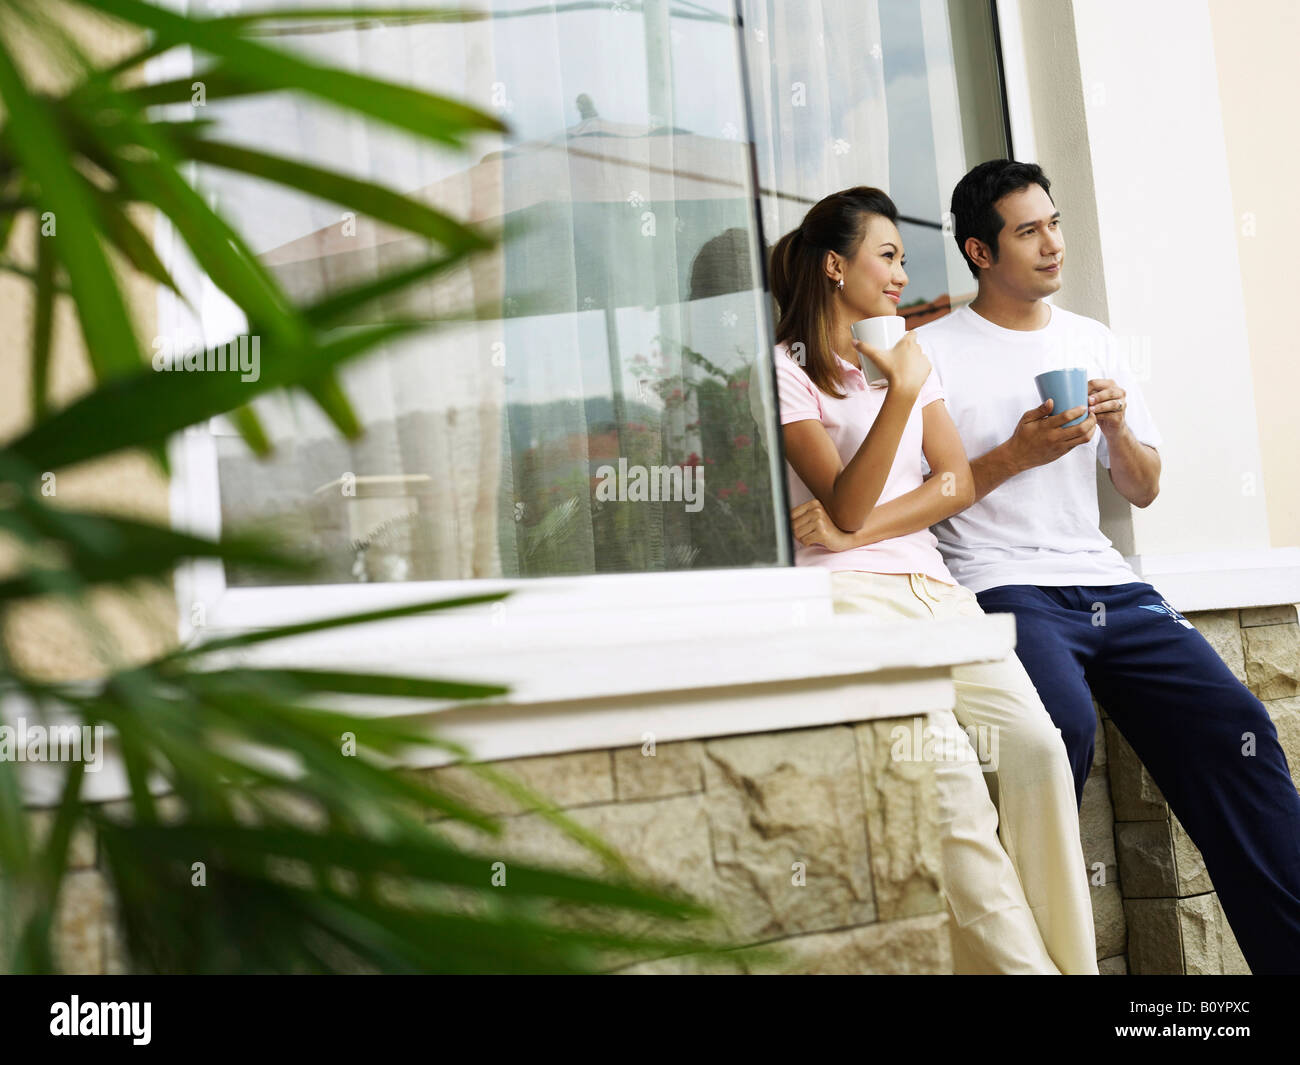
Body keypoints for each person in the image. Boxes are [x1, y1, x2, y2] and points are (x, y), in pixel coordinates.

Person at [913, 158, 1300, 974]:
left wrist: (1121, 431)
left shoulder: (1089, 339)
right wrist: (1016, 453)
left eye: (1054, 223)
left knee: (1239, 726)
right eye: (1029, 231)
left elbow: (1144, 488)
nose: (1053, 243)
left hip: (1110, 585)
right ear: (981, 253)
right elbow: (924, 503)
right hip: (999, 582)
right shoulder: (931, 351)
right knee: (1058, 729)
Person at [770, 186, 1097, 974]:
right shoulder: (787, 373)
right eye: (887, 257)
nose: (898, 275)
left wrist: (867, 510)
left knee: (1036, 751)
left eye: (903, 260)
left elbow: (951, 484)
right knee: (950, 785)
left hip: (937, 590)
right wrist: (901, 395)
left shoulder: (915, 360)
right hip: (851, 601)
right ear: (833, 266)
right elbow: (846, 493)